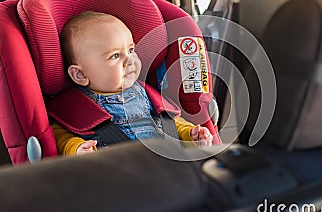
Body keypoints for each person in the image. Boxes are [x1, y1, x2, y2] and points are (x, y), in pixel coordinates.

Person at [52, 11, 213, 155]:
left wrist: (190, 134)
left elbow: (170, 121)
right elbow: (61, 136)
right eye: (115, 56)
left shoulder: (146, 92)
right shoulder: (75, 106)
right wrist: (77, 148)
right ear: (80, 74)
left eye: (130, 50)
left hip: (163, 165)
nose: (129, 60)